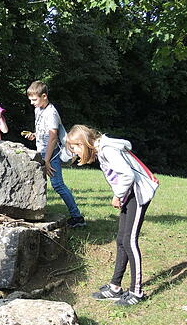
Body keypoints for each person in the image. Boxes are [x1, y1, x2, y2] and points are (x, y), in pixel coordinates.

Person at [66, 125, 160, 306]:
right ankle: (115, 287)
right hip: (128, 194)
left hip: (137, 194)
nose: (76, 153)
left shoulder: (108, 150)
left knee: (130, 241)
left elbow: (127, 176)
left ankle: (137, 292)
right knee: (121, 240)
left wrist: (118, 195)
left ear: (83, 143)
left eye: (75, 148)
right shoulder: (102, 150)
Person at [22, 81, 86, 228]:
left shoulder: (52, 113)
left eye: (34, 100)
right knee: (37, 181)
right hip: (42, 152)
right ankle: (34, 211)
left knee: (58, 185)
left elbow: (53, 138)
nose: (32, 103)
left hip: (51, 153)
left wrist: (47, 160)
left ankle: (77, 217)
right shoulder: (38, 109)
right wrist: (34, 135)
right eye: (30, 100)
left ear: (44, 96)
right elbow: (43, 131)